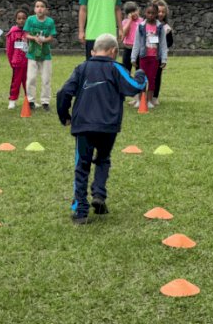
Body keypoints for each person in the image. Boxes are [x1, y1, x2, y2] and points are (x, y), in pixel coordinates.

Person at [57, 34, 146, 224]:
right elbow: (135, 86)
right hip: (107, 126)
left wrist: (64, 116)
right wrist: (141, 74)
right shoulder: (116, 68)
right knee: (103, 159)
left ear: (93, 51)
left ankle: (81, 211)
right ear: (114, 51)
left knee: (82, 166)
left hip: (83, 126)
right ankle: (98, 194)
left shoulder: (82, 68)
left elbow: (64, 92)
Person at [130, 2, 167, 108]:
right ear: (145, 13)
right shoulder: (141, 27)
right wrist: (133, 57)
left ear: (157, 14)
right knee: (141, 78)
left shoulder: (160, 28)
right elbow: (136, 43)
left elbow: (163, 44)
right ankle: (141, 100)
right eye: (148, 13)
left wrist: (164, 59)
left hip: (154, 58)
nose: (151, 15)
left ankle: (150, 100)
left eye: (153, 13)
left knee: (152, 79)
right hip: (143, 57)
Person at [24, 0, 57, 111]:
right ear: (34, 9)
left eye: (42, 6)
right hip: (32, 54)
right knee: (31, 78)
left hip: (45, 54)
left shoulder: (50, 22)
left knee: (46, 79)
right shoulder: (30, 20)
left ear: (46, 9)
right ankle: (31, 100)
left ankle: (45, 102)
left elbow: (51, 37)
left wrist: (44, 40)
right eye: (37, 6)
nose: (40, 9)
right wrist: (34, 38)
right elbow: (26, 34)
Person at [6, 8, 29, 109]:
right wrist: (11, 61)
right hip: (17, 62)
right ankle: (12, 100)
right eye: (19, 18)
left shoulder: (29, 32)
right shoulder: (13, 33)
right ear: (16, 19)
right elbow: (9, 49)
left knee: (28, 82)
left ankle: (30, 100)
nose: (21, 20)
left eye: (23, 18)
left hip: (28, 62)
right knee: (16, 82)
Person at [152, 0, 173, 106]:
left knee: (157, 76)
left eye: (163, 12)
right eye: (158, 11)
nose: (160, 14)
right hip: (146, 55)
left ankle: (155, 97)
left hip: (159, 57)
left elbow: (170, 42)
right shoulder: (147, 25)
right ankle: (141, 97)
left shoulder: (167, 28)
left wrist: (162, 45)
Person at [120, 1, 142, 73]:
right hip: (128, 49)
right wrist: (129, 21)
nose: (134, 13)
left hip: (139, 50)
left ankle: (139, 83)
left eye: (135, 10)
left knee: (139, 70)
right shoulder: (125, 22)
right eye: (131, 12)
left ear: (138, 10)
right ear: (127, 14)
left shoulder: (142, 21)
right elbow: (124, 34)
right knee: (126, 70)